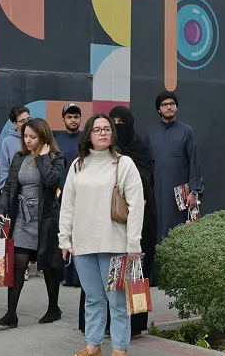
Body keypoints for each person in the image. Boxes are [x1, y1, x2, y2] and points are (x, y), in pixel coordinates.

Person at [60, 114, 146, 356]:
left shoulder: (124, 163)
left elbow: (136, 205)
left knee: (117, 301)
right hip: (83, 244)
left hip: (115, 243)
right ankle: (93, 345)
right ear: (88, 134)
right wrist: (64, 239)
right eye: (97, 130)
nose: (103, 133)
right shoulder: (78, 165)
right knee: (92, 298)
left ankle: (119, 348)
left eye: (107, 129)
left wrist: (133, 242)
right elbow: (68, 204)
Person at [78, 106, 156, 335]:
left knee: (128, 279)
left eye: (121, 122)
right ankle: (96, 329)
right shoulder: (88, 161)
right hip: (98, 226)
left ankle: (129, 330)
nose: (117, 126)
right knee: (96, 285)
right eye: (114, 122)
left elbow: (144, 187)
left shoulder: (139, 153)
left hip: (135, 221)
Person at [0, 117, 68, 327]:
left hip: (46, 217)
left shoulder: (56, 157)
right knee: (18, 264)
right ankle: (11, 314)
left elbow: (52, 181)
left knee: (48, 265)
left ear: (43, 137)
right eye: (25, 136)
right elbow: (9, 187)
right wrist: (1, 210)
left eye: (32, 137)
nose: (27, 140)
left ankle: (53, 308)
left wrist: (43, 158)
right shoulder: (19, 157)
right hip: (22, 217)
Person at [147, 90, 200, 244]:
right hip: (156, 192)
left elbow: (193, 162)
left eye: (172, 104)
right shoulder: (151, 132)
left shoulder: (186, 131)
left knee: (178, 232)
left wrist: (194, 191)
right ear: (159, 109)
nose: (168, 107)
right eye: (164, 105)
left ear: (176, 107)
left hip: (180, 194)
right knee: (156, 232)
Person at [55, 103, 85, 287]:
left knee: (81, 234)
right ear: (63, 119)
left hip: (84, 194)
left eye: (76, 116)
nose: (73, 120)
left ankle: (80, 276)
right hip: (62, 196)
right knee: (66, 233)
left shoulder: (86, 140)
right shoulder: (56, 141)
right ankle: (67, 275)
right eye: (69, 116)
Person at [0, 105, 29, 190]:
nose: (27, 123)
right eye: (23, 121)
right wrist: (6, 191)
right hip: (15, 191)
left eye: (28, 119)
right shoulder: (7, 142)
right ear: (15, 124)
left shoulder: (38, 138)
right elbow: (4, 170)